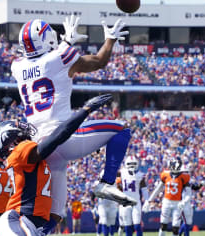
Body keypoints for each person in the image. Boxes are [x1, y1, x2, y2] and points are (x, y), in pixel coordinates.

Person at [12, 15, 135, 230]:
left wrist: (69, 42)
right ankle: (106, 183)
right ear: (46, 38)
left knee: (55, 214)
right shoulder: (57, 58)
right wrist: (109, 39)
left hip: (40, 148)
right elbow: (98, 62)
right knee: (121, 129)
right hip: (63, 138)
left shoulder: (17, 66)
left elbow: (72, 58)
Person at [0, 94, 113, 235]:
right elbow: (58, 136)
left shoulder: (28, 159)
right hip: (19, 218)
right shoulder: (20, 151)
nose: (25, 131)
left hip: (31, 222)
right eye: (20, 131)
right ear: (12, 139)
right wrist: (85, 110)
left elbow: (55, 213)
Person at [142, 158, 191, 236]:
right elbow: (158, 189)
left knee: (175, 227)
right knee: (163, 225)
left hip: (178, 203)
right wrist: (149, 201)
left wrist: (184, 202)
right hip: (167, 202)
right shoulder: (165, 175)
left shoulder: (184, 177)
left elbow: (189, 194)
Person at [116, 156, 149, 236]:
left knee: (137, 225)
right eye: (130, 164)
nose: (131, 165)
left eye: (133, 164)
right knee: (127, 226)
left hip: (136, 202)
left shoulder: (140, 175)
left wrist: (147, 201)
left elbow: (144, 189)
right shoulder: (122, 172)